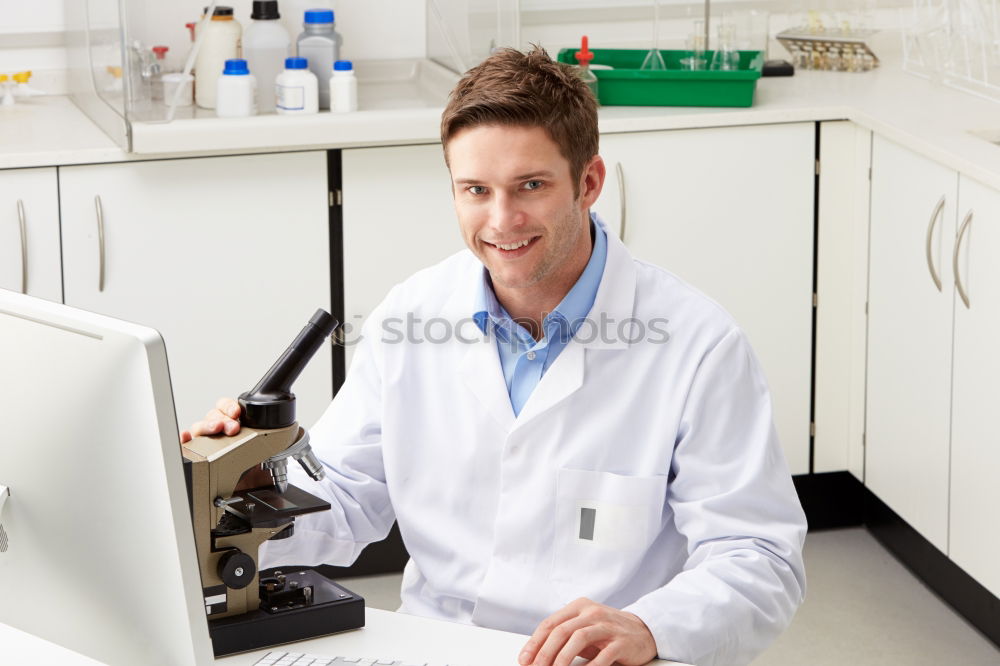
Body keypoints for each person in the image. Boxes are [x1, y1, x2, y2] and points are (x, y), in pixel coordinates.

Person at [182, 47, 807, 666]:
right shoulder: (413, 315)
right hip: (437, 646)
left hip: (601, 660)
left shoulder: (698, 344)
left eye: (530, 185)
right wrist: (238, 493)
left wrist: (650, 625)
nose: (501, 220)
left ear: (588, 183)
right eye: (475, 190)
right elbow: (344, 494)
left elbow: (759, 554)